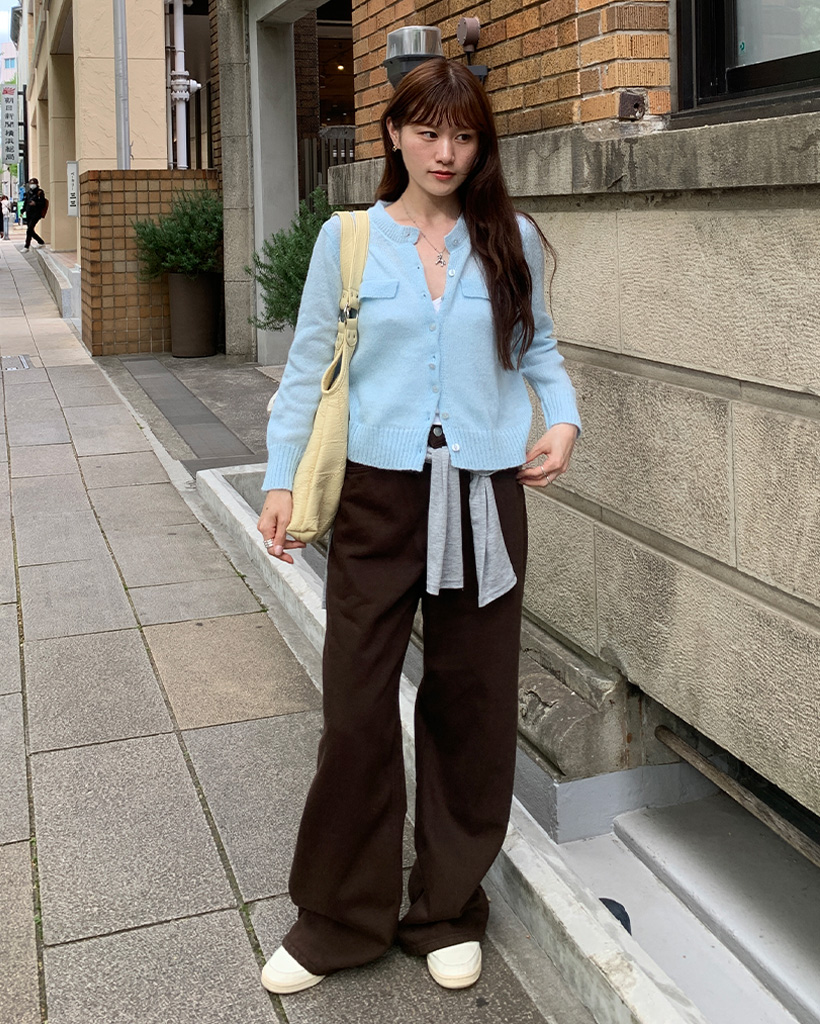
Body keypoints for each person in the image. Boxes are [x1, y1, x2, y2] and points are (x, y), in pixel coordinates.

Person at [256, 58, 581, 995]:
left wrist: (561, 420)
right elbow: (309, 367)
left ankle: (445, 908)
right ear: (394, 134)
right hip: (376, 496)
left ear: (482, 145)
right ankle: (338, 920)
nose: (447, 152)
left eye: (465, 135)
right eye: (429, 131)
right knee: (357, 707)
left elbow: (539, 349)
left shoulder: (512, 237)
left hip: (484, 493)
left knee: (471, 704)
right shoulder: (350, 239)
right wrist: (280, 479)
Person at [23, 178, 47, 250]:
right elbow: (26, 202)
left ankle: (27, 246)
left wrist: (35, 203)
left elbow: (43, 203)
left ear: (36, 184)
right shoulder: (28, 193)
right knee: (30, 230)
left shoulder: (40, 192)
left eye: (33, 183)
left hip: (36, 213)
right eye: (31, 184)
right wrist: (23, 210)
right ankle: (41, 242)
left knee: (29, 229)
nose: (32, 185)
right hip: (29, 213)